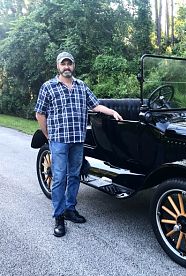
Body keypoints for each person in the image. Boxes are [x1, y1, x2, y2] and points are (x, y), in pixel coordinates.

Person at [35, 51, 123, 237]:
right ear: (58, 66)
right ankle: (58, 217)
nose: (67, 67)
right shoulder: (48, 87)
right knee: (59, 178)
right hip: (58, 140)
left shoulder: (82, 86)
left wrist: (112, 112)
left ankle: (70, 209)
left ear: (73, 66)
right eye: (63, 64)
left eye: (70, 64)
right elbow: (40, 114)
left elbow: (95, 105)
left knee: (75, 175)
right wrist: (47, 134)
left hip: (77, 140)